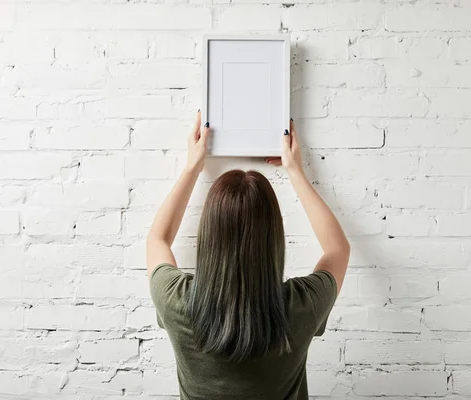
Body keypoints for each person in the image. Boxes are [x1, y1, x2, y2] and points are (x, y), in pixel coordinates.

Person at [146, 112, 350, 400]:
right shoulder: (301, 306)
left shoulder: (176, 301)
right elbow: (337, 248)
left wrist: (192, 167)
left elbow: (157, 238)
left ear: (207, 235)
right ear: (275, 235)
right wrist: (295, 172)